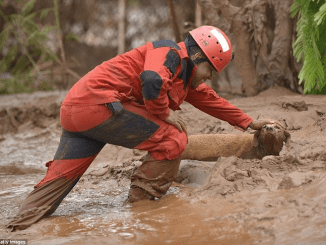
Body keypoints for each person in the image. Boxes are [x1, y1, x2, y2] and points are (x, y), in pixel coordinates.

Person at [7, 25, 276, 231]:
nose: (209, 76)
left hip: (77, 110)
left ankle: (16, 228)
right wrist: (162, 113)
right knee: (172, 139)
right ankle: (143, 207)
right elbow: (151, 80)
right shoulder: (169, 53)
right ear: (196, 55)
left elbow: (210, 99)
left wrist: (248, 122)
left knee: (55, 185)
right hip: (99, 106)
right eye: (211, 69)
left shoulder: (184, 73)